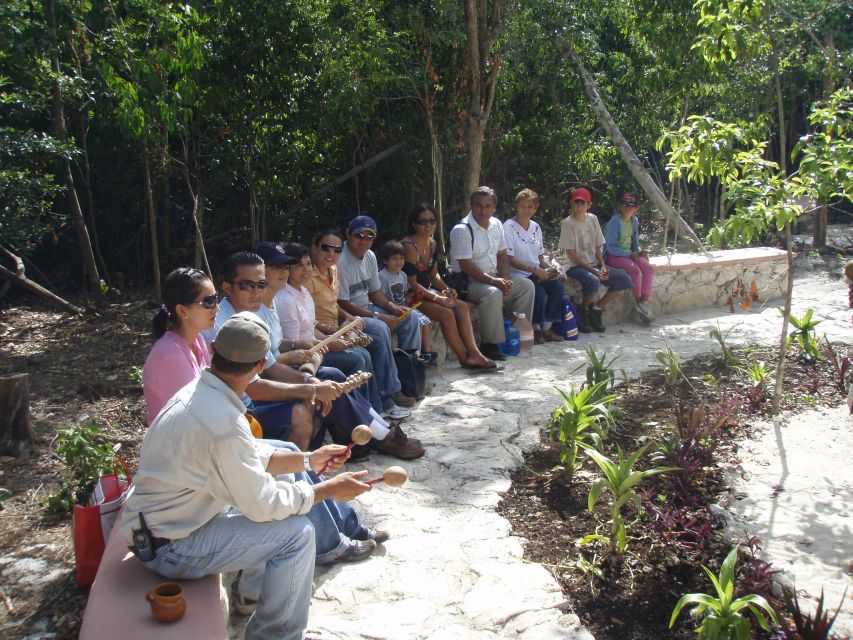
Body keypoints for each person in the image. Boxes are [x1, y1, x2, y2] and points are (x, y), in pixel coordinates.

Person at [121, 312, 375, 640]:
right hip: (170, 546)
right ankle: (276, 635)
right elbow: (262, 505)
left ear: (213, 350)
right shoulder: (222, 422)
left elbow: (248, 456)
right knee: (297, 535)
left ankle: (252, 596)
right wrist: (326, 490)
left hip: (162, 527)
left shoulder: (202, 393)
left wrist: (308, 460)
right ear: (259, 367)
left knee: (287, 480)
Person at [142, 268, 385, 568]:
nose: (215, 307)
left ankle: (343, 526)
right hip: (196, 465)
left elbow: (239, 390)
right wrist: (328, 488)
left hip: (214, 440)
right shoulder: (171, 354)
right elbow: (260, 501)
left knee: (293, 451)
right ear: (181, 310)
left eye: (214, 299)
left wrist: (309, 450)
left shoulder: (196, 343)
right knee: (294, 527)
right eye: (207, 302)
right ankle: (332, 541)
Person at [275, 241, 424, 460]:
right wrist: (329, 342)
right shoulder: (283, 299)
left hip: (313, 350)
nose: (306, 269)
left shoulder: (302, 292)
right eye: (299, 266)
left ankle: (376, 423)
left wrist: (331, 335)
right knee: (355, 360)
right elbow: (296, 341)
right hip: (303, 359)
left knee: (360, 354)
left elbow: (311, 327)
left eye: (308, 264)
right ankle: (371, 431)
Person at [305, 229, 417, 424]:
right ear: (315, 248)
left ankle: (391, 392)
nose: (331, 253)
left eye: (336, 249)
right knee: (368, 346)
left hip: (338, 325)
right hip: (323, 332)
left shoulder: (333, 269)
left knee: (386, 327)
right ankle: (377, 405)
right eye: (326, 248)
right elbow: (307, 320)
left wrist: (350, 319)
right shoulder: (307, 278)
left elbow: (336, 304)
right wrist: (336, 331)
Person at [337, 215, 423, 401]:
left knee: (411, 317)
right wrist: (379, 316)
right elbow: (343, 303)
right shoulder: (341, 260)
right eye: (360, 235)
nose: (364, 241)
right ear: (348, 234)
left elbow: (375, 292)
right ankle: (390, 391)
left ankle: (410, 378)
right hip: (349, 315)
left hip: (367, 307)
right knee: (381, 327)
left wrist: (393, 308)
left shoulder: (369, 256)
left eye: (369, 237)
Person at [400, 204, 496, 370]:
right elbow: (412, 284)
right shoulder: (409, 246)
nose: (428, 225)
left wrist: (445, 289)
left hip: (426, 292)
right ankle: (464, 359)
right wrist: (438, 298)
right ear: (414, 224)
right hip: (408, 295)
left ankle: (474, 353)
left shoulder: (432, 243)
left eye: (432, 221)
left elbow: (433, 275)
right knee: (446, 314)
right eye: (423, 222)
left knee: (462, 307)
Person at [448, 186, 535, 362]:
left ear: (494, 207)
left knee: (526, 286)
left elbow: (502, 254)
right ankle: (491, 345)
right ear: (471, 206)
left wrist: (506, 279)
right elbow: (465, 265)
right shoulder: (462, 230)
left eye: (488, 206)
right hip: (468, 282)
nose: (483, 210)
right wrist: (494, 281)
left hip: (493, 275)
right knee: (492, 294)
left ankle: (518, 333)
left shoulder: (496, 224)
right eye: (479, 206)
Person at [558, 187, 633, 333]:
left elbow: (598, 246)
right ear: (572, 204)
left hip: (595, 263)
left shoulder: (592, 219)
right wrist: (592, 270)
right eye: (576, 202)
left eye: (582, 202)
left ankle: (597, 309)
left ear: (589, 204)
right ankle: (583, 310)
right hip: (575, 265)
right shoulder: (568, 223)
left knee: (623, 279)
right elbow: (571, 254)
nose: (579, 206)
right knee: (593, 279)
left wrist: (603, 265)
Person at [503, 188, 565, 343]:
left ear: (535, 208)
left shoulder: (536, 227)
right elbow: (509, 258)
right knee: (539, 292)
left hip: (537, 272)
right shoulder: (508, 226)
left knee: (557, 287)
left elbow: (539, 256)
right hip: (519, 273)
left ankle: (548, 328)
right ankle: (536, 329)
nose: (526, 210)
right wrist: (535, 270)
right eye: (522, 206)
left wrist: (551, 270)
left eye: (530, 206)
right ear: (516, 207)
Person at [378, 240, 436, 367]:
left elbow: (404, 294)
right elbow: (381, 298)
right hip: (392, 309)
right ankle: (418, 355)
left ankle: (427, 353)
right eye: (394, 259)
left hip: (405, 307)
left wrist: (412, 297)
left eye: (401, 258)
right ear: (385, 260)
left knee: (426, 322)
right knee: (418, 322)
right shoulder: (382, 276)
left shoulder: (403, 275)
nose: (399, 262)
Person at [604, 193, 655, 323]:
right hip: (614, 256)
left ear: (636, 209)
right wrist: (630, 255)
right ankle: (639, 303)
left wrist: (639, 253)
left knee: (648, 268)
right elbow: (611, 247)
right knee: (636, 271)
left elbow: (635, 242)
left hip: (629, 254)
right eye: (625, 205)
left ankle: (645, 302)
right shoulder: (614, 223)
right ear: (621, 206)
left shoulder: (634, 221)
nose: (628, 208)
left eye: (631, 206)